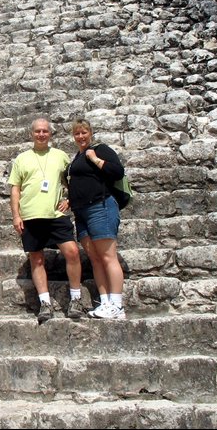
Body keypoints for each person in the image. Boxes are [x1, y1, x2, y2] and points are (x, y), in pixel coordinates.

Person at [8, 118, 83, 324]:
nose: (41, 134)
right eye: (38, 131)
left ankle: (76, 298)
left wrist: (70, 199)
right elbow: (15, 189)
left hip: (56, 214)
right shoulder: (21, 159)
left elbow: (73, 180)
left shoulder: (60, 156)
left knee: (73, 252)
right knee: (37, 259)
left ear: (50, 134)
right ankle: (45, 303)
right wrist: (16, 215)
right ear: (31, 134)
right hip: (31, 214)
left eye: (45, 131)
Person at [65, 118, 127, 320]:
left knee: (108, 256)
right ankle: (105, 302)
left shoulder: (99, 150)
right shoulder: (77, 156)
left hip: (100, 206)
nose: (81, 137)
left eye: (84, 132)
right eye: (77, 133)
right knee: (95, 258)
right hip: (81, 211)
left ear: (90, 133)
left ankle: (117, 305)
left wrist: (95, 159)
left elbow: (117, 172)